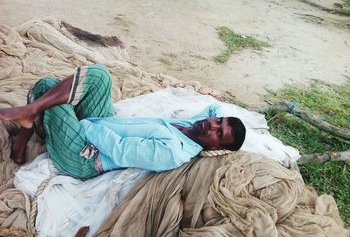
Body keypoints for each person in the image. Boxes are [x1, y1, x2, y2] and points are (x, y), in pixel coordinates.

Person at [0, 64, 246, 179]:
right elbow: (214, 108)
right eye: (218, 121)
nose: (212, 125)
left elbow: (119, 151)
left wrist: (83, 126)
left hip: (87, 154)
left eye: (219, 133)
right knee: (99, 76)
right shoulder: (194, 125)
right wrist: (228, 120)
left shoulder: (173, 151)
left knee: (50, 92)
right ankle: (31, 114)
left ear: (215, 148)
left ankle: (24, 134)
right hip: (101, 125)